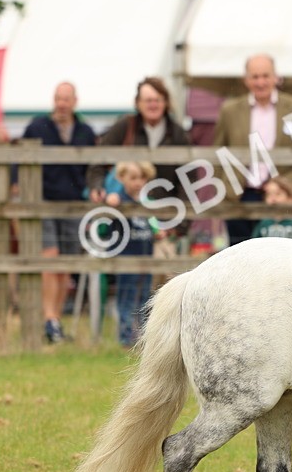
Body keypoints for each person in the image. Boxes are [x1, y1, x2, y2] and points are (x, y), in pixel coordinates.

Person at [212, 54, 292, 247]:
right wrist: (225, 186)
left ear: (275, 77)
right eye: (255, 77)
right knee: (239, 256)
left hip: (279, 198)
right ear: (245, 80)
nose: (260, 82)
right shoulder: (229, 111)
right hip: (239, 196)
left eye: (265, 76)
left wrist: (287, 185)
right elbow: (217, 152)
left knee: (278, 257)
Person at [87, 77, 192, 272]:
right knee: (129, 278)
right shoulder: (125, 127)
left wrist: (180, 225)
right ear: (138, 103)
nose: (153, 105)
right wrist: (98, 187)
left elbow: (188, 181)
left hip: (163, 221)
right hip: (127, 221)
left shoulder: (177, 134)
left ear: (166, 102)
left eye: (157, 100)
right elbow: (98, 163)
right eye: (148, 100)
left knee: (163, 282)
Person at [23, 82, 97, 343]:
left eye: (66, 99)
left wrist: (93, 190)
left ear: (74, 101)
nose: (62, 103)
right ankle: (49, 318)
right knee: (49, 258)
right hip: (43, 200)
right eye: (58, 98)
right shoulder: (37, 127)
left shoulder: (85, 131)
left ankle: (55, 321)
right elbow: (20, 162)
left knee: (66, 264)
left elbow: (93, 167)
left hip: (74, 202)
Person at [108, 161, 158, 348]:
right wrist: (112, 201)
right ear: (122, 179)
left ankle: (144, 336)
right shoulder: (118, 199)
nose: (138, 182)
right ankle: (126, 335)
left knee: (145, 295)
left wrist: (158, 230)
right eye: (133, 178)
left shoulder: (148, 201)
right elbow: (107, 218)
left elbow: (154, 224)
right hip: (126, 256)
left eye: (142, 178)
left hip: (146, 255)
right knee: (126, 295)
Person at [252, 175, 292, 240]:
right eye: (269, 194)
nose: (273, 199)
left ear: (290, 198)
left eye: (278, 194)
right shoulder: (264, 223)